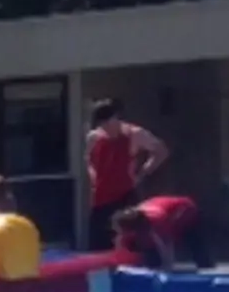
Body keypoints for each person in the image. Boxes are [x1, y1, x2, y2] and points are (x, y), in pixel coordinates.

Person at [85, 98, 169, 249]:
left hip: (125, 195)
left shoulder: (134, 134)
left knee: (132, 240)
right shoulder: (94, 137)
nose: (105, 128)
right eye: (101, 124)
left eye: (107, 123)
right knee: (98, 243)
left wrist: (143, 172)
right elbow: (89, 160)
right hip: (101, 197)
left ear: (116, 117)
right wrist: (93, 176)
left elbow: (161, 151)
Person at [111, 196, 214, 271]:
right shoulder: (130, 222)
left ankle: (206, 268)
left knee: (196, 247)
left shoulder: (156, 220)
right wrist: (120, 266)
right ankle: (154, 263)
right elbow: (120, 244)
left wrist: (167, 267)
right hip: (159, 211)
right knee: (150, 256)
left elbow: (167, 243)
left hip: (185, 210)